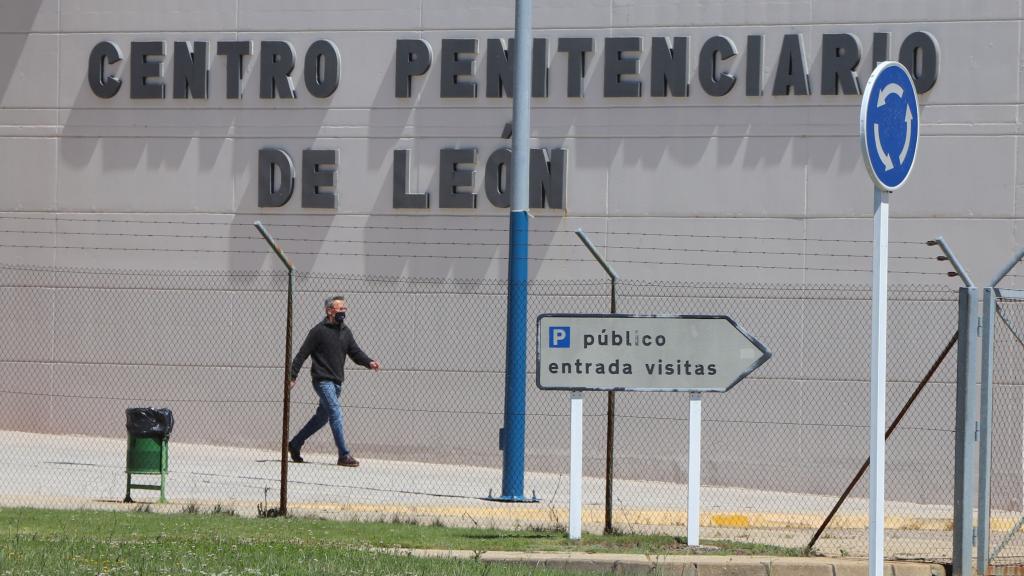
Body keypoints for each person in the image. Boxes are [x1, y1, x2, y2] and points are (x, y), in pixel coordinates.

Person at [288, 295, 380, 467]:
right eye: (340, 309)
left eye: (345, 309)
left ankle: (295, 444)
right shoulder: (318, 331)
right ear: (329, 311)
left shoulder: (345, 332)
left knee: (321, 418)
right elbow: (302, 354)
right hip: (322, 381)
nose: (343, 311)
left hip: (337, 383)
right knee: (336, 413)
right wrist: (292, 376)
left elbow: (355, 352)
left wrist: (369, 362)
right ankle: (343, 455)